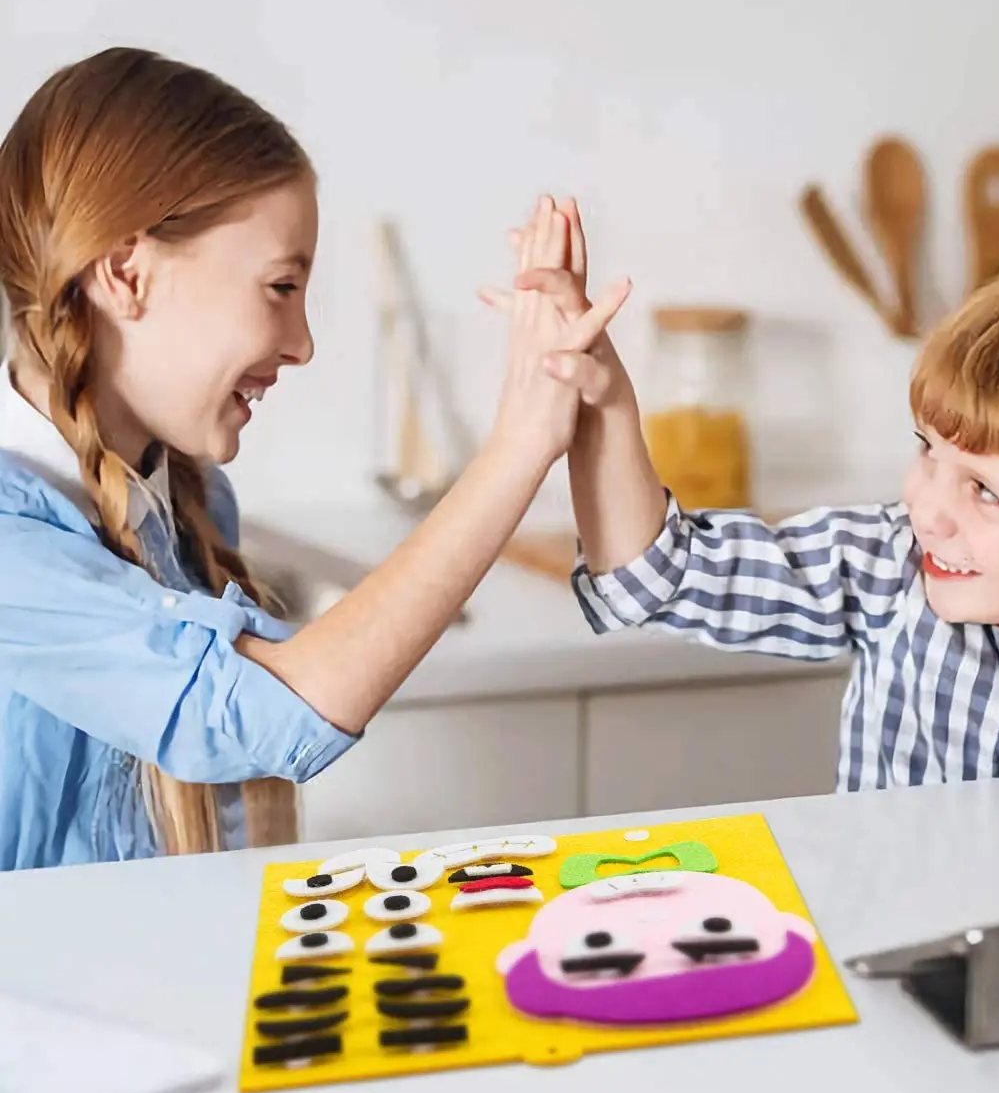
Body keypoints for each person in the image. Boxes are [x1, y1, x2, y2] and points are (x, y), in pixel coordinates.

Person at [0, 47, 630, 870]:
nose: (302, 344)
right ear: (127, 273)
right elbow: (256, 713)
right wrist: (517, 448)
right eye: (280, 288)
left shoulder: (192, 502)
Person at [487, 203, 999, 791]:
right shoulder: (887, 568)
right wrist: (608, 404)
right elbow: (654, 575)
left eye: (985, 491)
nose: (927, 509)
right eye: (927, 450)